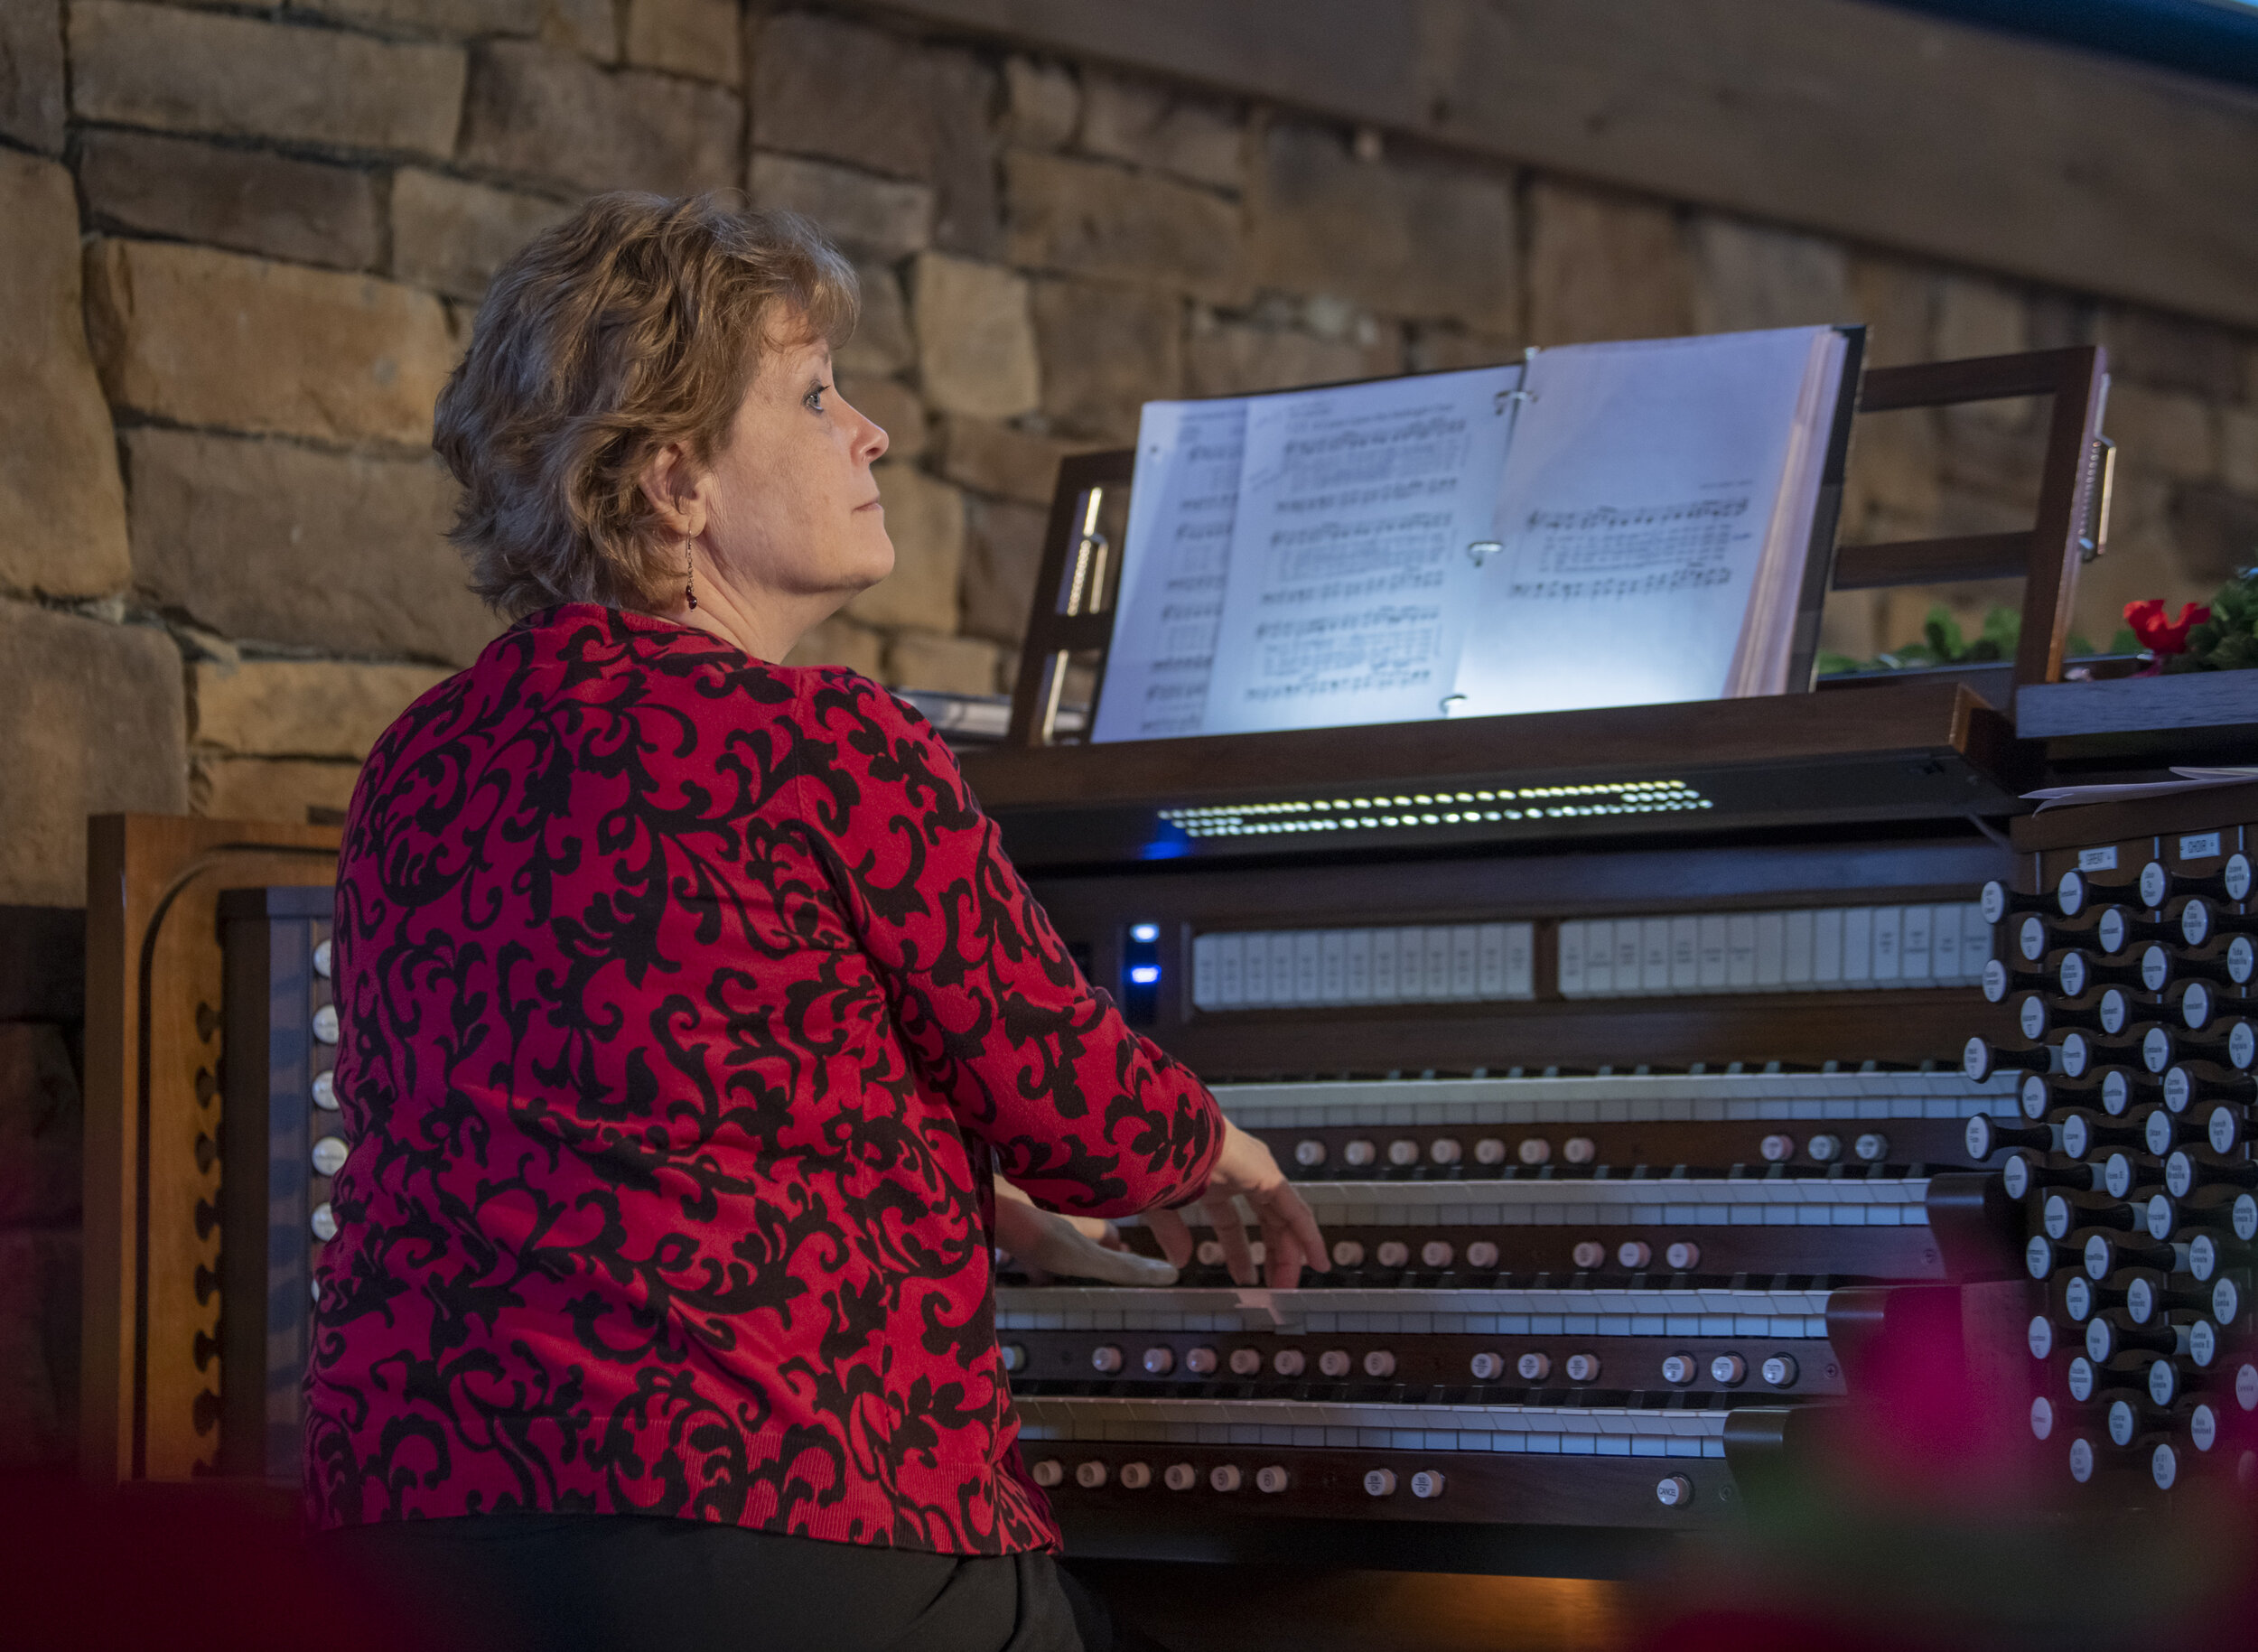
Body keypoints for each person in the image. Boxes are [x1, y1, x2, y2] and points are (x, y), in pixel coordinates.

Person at [303, 191, 1324, 1652]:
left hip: (418, 1534)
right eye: (814, 394)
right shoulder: (822, 740)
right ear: (674, 484)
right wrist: (1216, 1143)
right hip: (766, 1508)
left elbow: (625, 1095)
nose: (873, 432)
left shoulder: (417, 758)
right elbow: (1074, 1103)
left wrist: (965, 1201)